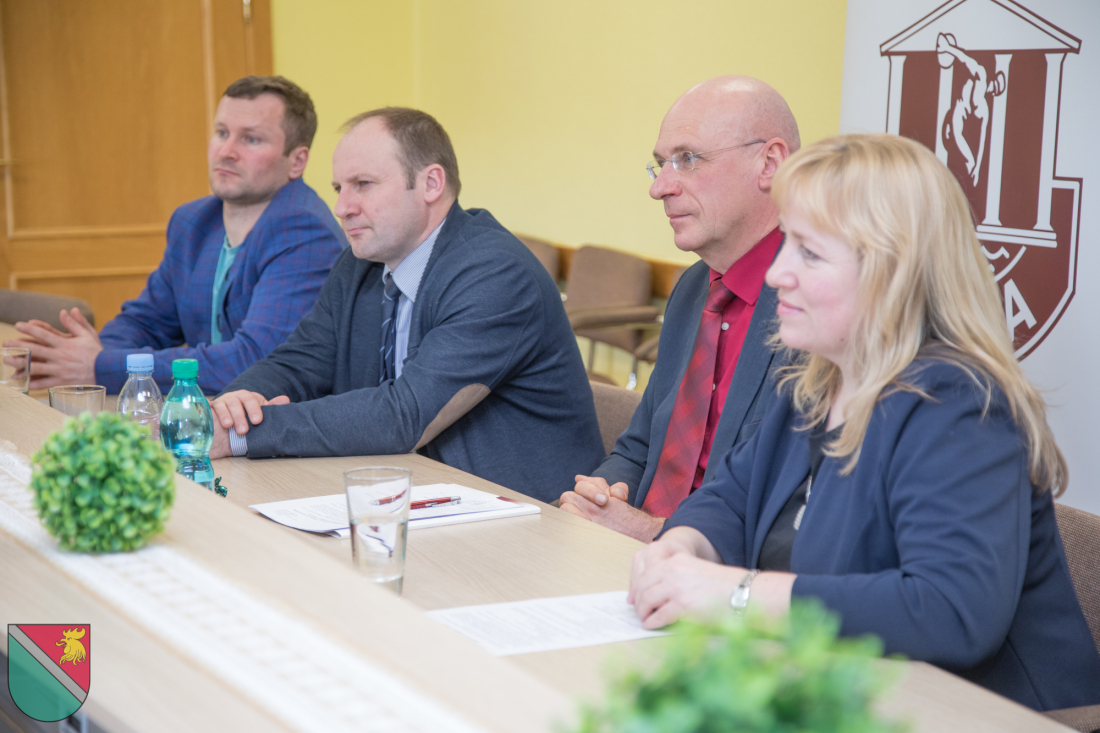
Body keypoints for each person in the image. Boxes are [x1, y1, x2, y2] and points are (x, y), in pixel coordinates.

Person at [627, 134, 1100, 711]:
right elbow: (729, 499)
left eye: (809, 253)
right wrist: (680, 550)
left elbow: (950, 611)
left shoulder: (960, 405)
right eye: (786, 244)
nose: (777, 275)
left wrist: (737, 594)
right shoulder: (816, 381)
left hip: (989, 714)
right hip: (850, 692)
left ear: (892, 273)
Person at [208, 107, 604, 502]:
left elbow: (405, 414)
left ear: (431, 183)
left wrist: (242, 434)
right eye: (339, 188)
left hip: (525, 513)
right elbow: (297, 363)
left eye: (363, 184)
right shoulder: (360, 264)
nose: (342, 207)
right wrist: (233, 406)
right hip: (413, 493)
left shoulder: (496, 273)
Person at [559, 76, 798, 541]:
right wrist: (600, 497)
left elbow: (789, 521)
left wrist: (655, 533)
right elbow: (640, 447)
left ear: (769, 163)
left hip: (718, 571)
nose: (660, 188)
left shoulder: (818, 306)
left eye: (688, 159)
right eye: (660, 164)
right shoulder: (692, 288)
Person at [4, 76, 346, 394]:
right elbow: (146, 322)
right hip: (205, 410)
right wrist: (74, 356)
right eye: (222, 132)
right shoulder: (194, 221)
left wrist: (100, 366)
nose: (226, 151)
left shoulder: (305, 232)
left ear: (296, 161)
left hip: (275, 424)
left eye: (251, 139)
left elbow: (254, 360)